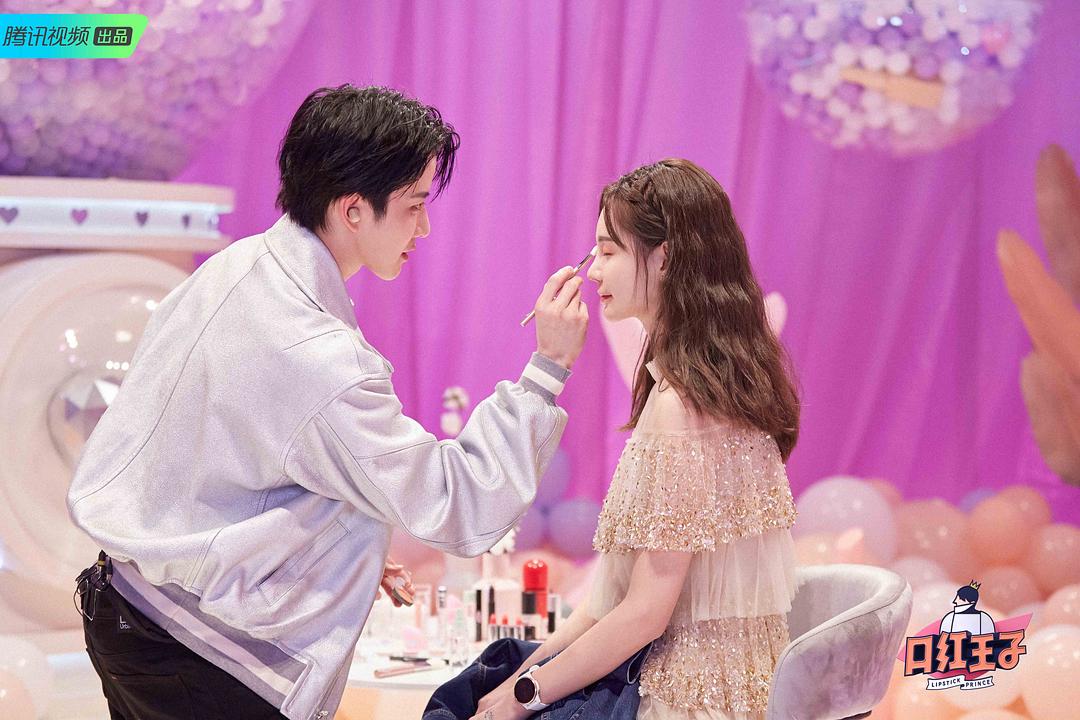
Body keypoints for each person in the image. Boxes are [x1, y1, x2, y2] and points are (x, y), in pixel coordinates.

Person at [66, 84, 589, 720]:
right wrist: (546, 372)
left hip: (127, 605)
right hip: (202, 655)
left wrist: (341, 544)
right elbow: (458, 505)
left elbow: (218, 460)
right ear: (352, 210)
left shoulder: (235, 268)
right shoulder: (317, 355)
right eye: (414, 206)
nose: (424, 228)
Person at [428, 158, 801, 720]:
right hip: (711, 683)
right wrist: (525, 679)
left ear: (664, 257)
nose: (593, 273)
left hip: (676, 699)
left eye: (607, 252)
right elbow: (612, 601)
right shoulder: (723, 384)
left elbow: (645, 613)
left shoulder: (680, 406)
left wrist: (524, 696)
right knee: (481, 685)